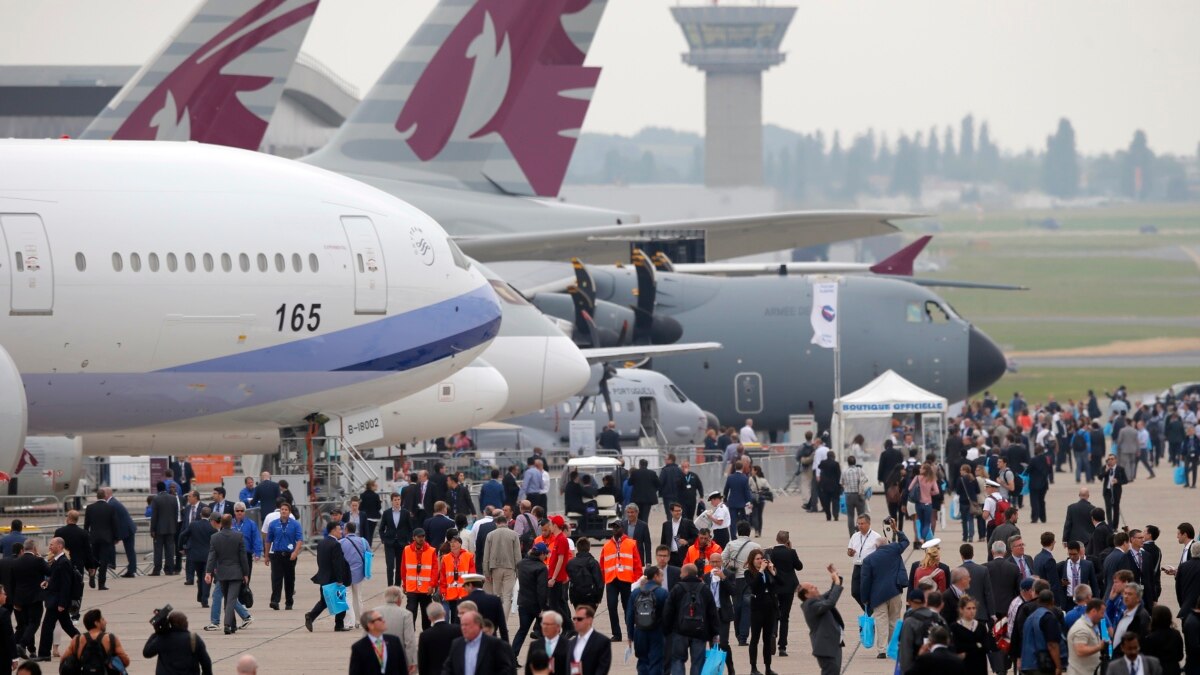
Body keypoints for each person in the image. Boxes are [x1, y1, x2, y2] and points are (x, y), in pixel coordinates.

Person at [861, 519, 909, 659]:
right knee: (894, 620)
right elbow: (905, 541)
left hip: (877, 595)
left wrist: (865, 599)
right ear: (887, 544)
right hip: (894, 591)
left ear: (876, 547)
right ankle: (893, 648)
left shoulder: (868, 560)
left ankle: (882, 650)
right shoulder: (894, 549)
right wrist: (896, 530)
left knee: (881, 621)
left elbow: (865, 582)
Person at [663, 564, 719, 675]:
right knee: (698, 662)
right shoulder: (704, 589)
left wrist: (667, 630)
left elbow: (668, 610)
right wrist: (714, 633)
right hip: (700, 632)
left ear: (686, 573)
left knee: (677, 660)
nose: (680, 575)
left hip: (679, 631)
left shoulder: (677, 588)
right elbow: (712, 612)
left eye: (681, 573)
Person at [206, 514, 250, 635]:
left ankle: (233, 625)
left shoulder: (214, 537)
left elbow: (211, 557)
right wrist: (246, 573)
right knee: (231, 599)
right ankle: (227, 624)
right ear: (231, 523)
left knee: (228, 599)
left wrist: (208, 572)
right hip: (236, 573)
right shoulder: (238, 536)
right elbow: (243, 557)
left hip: (222, 573)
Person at [305, 521, 351, 633]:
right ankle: (339, 625)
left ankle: (311, 616)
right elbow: (337, 564)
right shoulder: (335, 544)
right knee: (340, 601)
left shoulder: (322, 543)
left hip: (323, 577)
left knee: (324, 601)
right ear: (333, 531)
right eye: (339, 529)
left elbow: (320, 561)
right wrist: (340, 579)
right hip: (334, 579)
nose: (341, 531)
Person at [37, 537, 79, 659]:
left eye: (52, 544)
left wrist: (62, 603)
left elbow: (66, 585)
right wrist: (47, 584)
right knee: (68, 626)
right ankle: (85, 644)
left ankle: (44, 654)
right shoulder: (57, 561)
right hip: (55, 600)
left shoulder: (63, 562)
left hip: (57, 601)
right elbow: (57, 581)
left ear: (60, 546)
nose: (49, 547)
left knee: (47, 626)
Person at [800, 563, 845, 675]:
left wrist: (835, 577)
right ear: (806, 595)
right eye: (812, 588)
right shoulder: (810, 605)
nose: (815, 587)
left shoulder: (816, 600)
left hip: (832, 645)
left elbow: (830, 594)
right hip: (826, 648)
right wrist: (837, 583)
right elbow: (830, 602)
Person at [601, 522, 642, 642]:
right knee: (611, 606)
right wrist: (604, 579)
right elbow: (602, 565)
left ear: (623, 529)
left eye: (617, 527)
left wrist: (637, 581)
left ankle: (631, 633)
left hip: (627, 580)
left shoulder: (631, 543)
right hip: (612, 580)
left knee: (628, 608)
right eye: (613, 527)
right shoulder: (607, 545)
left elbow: (637, 563)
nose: (614, 529)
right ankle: (617, 634)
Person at [442, 610, 516, 675]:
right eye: (462, 625)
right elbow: (448, 669)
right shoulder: (457, 644)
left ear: (478, 625)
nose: (463, 628)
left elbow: (505, 670)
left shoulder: (495, 644)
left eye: (467, 625)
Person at [142, 610, 213, 675]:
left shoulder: (162, 638)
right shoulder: (193, 638)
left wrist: (157, 633)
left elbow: (147, 653)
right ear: (184, 623)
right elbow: (206, 662)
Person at [628, 566, 669, 675]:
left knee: (642, 661)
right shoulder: (662, 593)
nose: (662, 579)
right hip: (657, 632)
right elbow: (668, 615)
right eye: (661, 576)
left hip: (640, 631)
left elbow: (630, 615)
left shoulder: (635, 593)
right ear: (655, 576)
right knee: (656, 661)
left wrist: (630, 635)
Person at [63, 608, 130, 674]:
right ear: (96, 623)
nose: (106, 622)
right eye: (102, 619)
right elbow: (125, 661)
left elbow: (64, 661)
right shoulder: (110, 639)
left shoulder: (77, 640)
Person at [744, 550, 779, 675]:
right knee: (755, 638)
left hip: (769, 608)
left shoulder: (767, 572)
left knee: (767, 639)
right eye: (757, 559)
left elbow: (777, 586)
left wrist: (772, 572)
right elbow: (753, 586)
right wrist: (760, 571)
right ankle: (753, 667)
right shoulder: (748, 573)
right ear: (752, 561)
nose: (760, 561)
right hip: (757, 608)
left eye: (761, 558)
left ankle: (768, 667)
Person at [769, 531, 803, 657]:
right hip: (788, 587)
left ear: (776, 539)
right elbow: (799, 567)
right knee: (785, 616)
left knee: (774, 613)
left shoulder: (771, 552)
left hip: (775, 586)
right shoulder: (791, 552)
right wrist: (791, 549)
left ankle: (772, 633)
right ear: (787, 540)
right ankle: (782, 647)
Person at [481, 514, 521, 619]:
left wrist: (486, 572)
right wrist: (518, 572)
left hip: (495, 568)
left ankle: (496, 620)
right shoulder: (514, 535)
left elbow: (486, 555)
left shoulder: (490, 535)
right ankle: (504, 622)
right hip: (510, 567)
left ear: (496, 523)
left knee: (496, 595)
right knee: (507, 597)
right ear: (507, 522)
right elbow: (517, 555)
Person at [514, 544, 550, 658]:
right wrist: (544, 607)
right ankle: (547, 658)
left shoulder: (521, 564)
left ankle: (512, 657)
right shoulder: (541, 568)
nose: (546, 556)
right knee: (545, 633)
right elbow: (541, 590)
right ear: (542, 554)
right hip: (537, 605)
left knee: (522, 631)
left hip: (523, 603)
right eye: (546, 554)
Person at [265, 501, 302, 611]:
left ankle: (289, 601)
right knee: (276, 578)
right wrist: (266, 555)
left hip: (290, 555)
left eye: (286, 510)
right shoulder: (273, 524)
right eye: (282, 509)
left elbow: (299, 540)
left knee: (289, 579)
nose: (284, 511)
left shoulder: (295, 524)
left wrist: (295, 552)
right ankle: (275, 601)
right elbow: (268, 540)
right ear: (280, 511)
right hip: (276, 554)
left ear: (289, 512)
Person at [374, 586, 419, 672]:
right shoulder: (406, 614)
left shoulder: (374, 612)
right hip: (398, 658)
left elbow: (367, 637)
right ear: (398, 599)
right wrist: (411, 661)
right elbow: (409, 641)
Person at [350, 609, 407, 675]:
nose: (383, 621)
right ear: (370, 625)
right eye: (379, 619)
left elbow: (402, 668)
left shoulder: (394, 641)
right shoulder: (359, 647)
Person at [401, 528, 438, 630]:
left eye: (423, 536)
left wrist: (432, 585)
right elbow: (403, 568)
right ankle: (409, 632)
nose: (422, 538)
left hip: (426, 589)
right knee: (411, 610)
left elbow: (435, 570)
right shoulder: (407, 550)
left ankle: (426, 632)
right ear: (414, 538)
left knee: (426, 613)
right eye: (419, 537)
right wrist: (404, 584)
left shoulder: (431, 551)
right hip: (412, 587)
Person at [83, 489, 118, 590]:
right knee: (104, 561)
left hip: (94, 538)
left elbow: (86, 525)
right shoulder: (110, 508)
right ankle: (101, 583)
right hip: (106, 538)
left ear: (97, 497)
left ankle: (92, 575)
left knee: (94, 559)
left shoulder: (90, 508)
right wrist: (116, 537)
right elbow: (114, 524)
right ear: (104, 496)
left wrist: (86, 537)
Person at [179, 508, 215, 608]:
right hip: (208, 556)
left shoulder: (193, 525)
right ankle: (204, 599)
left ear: (200, 514)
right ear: (210, 516)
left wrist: (181, 547)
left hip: (195, 556)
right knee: (207, 578)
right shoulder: (212, 527)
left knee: (200, 577)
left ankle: (201, 596)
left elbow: (182, 535)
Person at [948, 594, 992, 675]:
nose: (972, 611)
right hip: (963, 665)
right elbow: (956, 647)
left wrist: (968, 648)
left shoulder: (981, 627)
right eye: (968, 608)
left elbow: (986, 647)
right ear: (961, 609)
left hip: (979, 664)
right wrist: (976, 645)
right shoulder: (955, 627)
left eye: (974, 608)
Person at [380, 492, 415, 587]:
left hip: (402, 543)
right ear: (392, 501)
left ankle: (397, 585)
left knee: (400, 566)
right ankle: (390, 586)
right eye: (395, 500)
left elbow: (410, 528)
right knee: (390, 566)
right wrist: (383, 539)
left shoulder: (405, 513)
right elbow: (381, 528)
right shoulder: (386, 513)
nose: (397, 502)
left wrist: (409, 540)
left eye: (398, 499)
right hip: (389, 543)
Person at [847, 514, 882, 606]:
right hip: (857, 566)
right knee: (855, 592)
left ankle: (871, 611)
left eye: (862, 523)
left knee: (867, 592)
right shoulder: (855, 536)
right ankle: (869, 611)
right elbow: (849, 552)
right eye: (858, 524)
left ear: (869, 524)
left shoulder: (876, 536)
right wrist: (850, 552)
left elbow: (881, 553)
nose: (860, 526)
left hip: (870, 567)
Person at [1066, 598, 1107, 675]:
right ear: (1094, 611)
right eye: (1102, 613)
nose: (1103, 616)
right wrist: (1100, 647)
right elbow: (1080, 650)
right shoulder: (1081, 628)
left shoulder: (1092, 626)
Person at [341, 522, 370, 629]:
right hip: (360, 573)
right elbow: (369, 554)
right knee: (358, 597)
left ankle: (350, 622)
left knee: (347, 597)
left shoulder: (341, 542)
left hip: (346, 574)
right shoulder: (363, 541)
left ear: (346, 530)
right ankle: (359, 620)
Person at [417, 603, 461, 675]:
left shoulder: (425, 635)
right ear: (444, 613)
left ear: (429, 618)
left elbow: (422, 661)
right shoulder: (457, 630)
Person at [1142, 604, 1185, 675]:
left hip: (1157, 670)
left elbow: (1148, 658)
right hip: (1174, 669)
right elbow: (1180, 656)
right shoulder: (1176, 634)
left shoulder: (1151, 637)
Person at [1059, 541, 1099, 611]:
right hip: (1068, 602)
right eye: (1070, 554)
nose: (1072, 557)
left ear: (1079, 552)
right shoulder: (1062, 565)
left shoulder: (1088, 565)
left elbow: (1094, 584)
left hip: (1083, 601)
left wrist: (1096, 602)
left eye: (1074, 554)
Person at [150, 482, 180, 575]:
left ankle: (157, 569)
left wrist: (152, 529)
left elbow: (154, 516)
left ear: (157, 489)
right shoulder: (173, 498)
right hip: (171, 528)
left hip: (159, 529)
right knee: (170, 550)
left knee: (158, 550)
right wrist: (174, 526)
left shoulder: (156, 499)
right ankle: (169, 569)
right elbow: (176, 514)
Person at [566, 538, 604, 611]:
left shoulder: (570, 563)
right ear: (588, 548)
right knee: (587, 619)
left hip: (576, 596)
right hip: (590, 596)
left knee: (580, 618)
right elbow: (599, 582)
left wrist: (571, 598)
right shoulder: (593, 563)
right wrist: (598, 599)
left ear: (577, 548)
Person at [661, 503, 699, 568]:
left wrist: (687, 542)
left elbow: (697, 537)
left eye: (680, 510)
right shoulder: (666, 525)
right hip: (670, 557)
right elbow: (663, 542)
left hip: (684, 556)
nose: (678, 512)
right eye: (676, 511)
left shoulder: (688, 523)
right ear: (671, 511)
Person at [840, 456, 868, 534]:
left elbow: (841, 483)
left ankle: (851, 534)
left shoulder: (844, 471)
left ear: (848, 463)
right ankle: (861, 531)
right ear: (855, 462)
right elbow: (866, 478)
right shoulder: (859, 470)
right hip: (859, 494)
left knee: (850, 515)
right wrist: (860, 484)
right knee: (861, 515)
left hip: (848, 495)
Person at [1103, 454, 1130, 526]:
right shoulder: (1105, 468)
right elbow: (1100, 477)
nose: (1110, 461)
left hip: (1116, 491)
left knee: (1116, 508)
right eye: (1108, 459)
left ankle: (1115, 526)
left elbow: (1126, 480)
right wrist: (1106, 471)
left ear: (1115, 460)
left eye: (1112, 459)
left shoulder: (1120, 469)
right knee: (1108, 508)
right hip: (1107, 491)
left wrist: (1118, 481)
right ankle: (1110, 526)